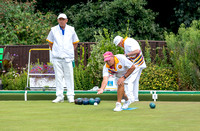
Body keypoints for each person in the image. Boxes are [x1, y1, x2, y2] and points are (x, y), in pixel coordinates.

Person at [46, 13, 79, 103]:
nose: (61, 21)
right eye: (60, 19)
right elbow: (50, 43)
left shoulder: (71, 29)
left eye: (63, 19)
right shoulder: (53, 30)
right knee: (58, 77)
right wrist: (56, 52)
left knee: (69, 77)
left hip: (68, 57)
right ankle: (59, 96)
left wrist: (69, 51)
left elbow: (75, 42)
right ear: (58, 20)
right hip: (57, 58)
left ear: (66, 20)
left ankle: (70, 96)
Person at [113, 36, 146, 101]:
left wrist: (126, 55)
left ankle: (129, 98)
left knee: (129, 81)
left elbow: (137, 51)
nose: (120, 46)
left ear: (120, 42)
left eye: (119, 44)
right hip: (139, 63)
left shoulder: (127, 42)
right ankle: (135, 98)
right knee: (135, 81)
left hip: (136, 64)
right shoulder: (127, 42)